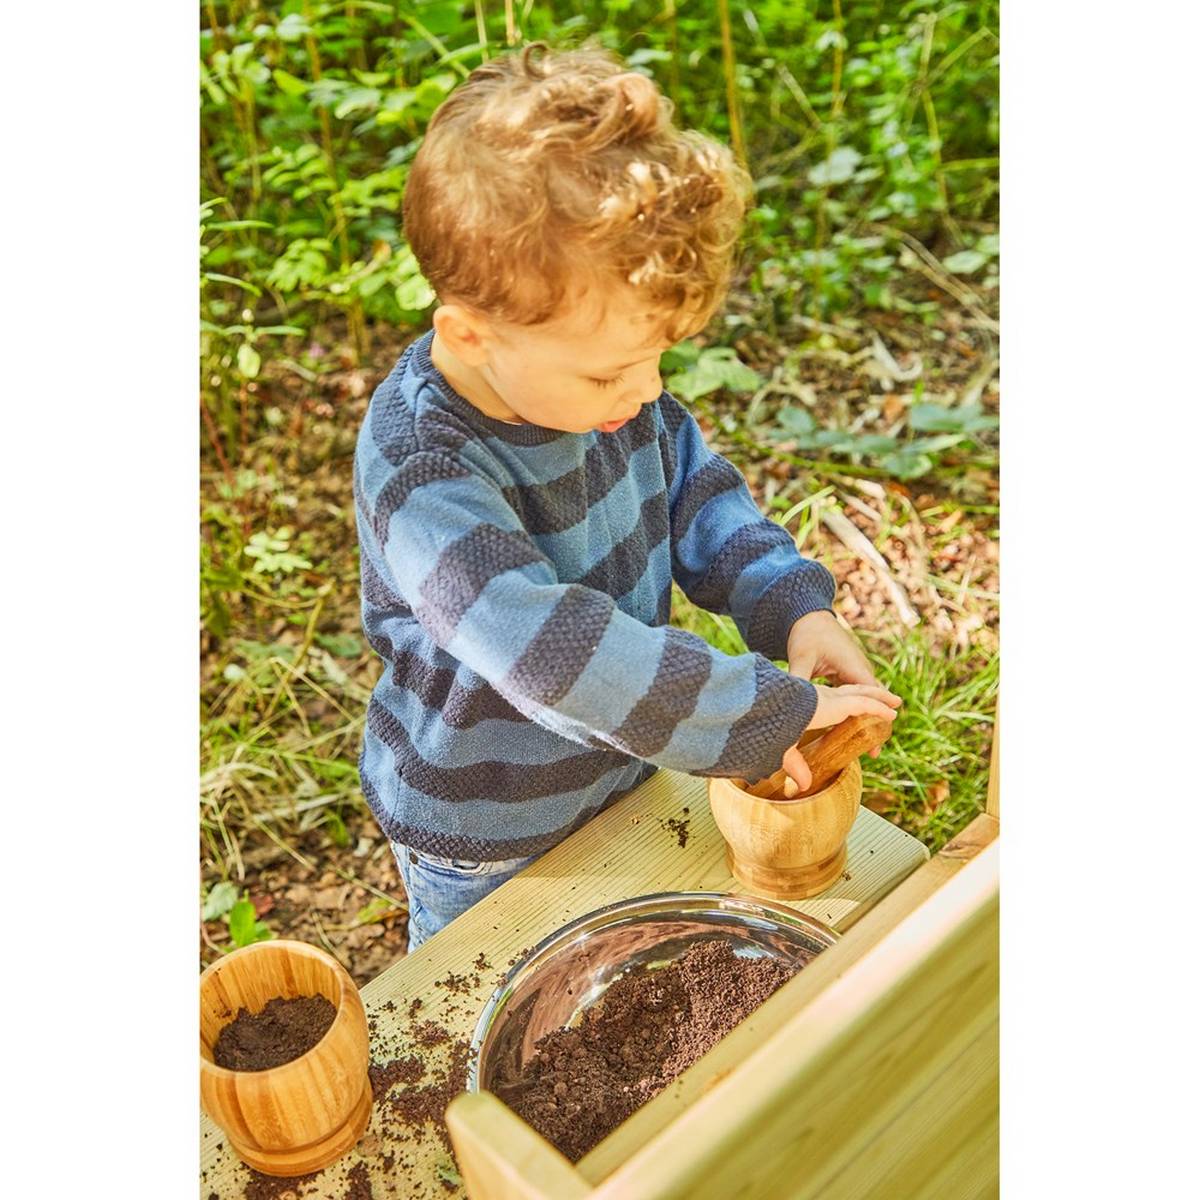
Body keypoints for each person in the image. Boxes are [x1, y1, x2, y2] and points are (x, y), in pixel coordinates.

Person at [353, 43, 901, 952]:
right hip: (491, 830)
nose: (647, 392)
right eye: (616, 367)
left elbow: (700, 496)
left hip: (629, 765)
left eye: (661, 358)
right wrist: (769, 713)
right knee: (482, 1005)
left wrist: (789, 606)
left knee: (625, 982)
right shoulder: (425, 470)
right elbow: (557, 658)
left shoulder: (608, 400)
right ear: (471, 334)